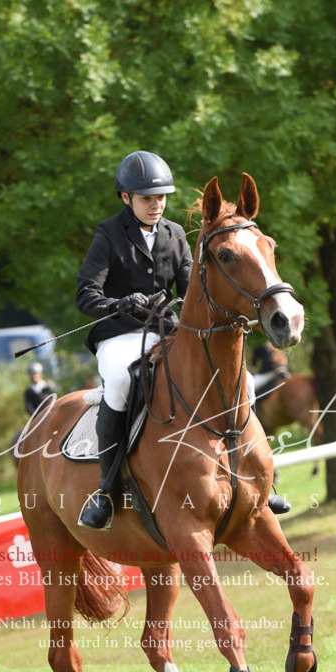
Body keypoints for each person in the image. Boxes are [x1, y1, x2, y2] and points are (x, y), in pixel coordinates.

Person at [75, 150, 193, 529]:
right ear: (126, 198)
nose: (156, 204)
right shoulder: (109, 233)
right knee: (123, 380)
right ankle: (107, 490)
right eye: (146, 198)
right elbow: (85, 295)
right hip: (119, 333)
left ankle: (258, 476)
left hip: (165, 331)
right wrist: (118, 302)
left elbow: (190, 293)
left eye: (161, 197)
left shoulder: (176, 234)